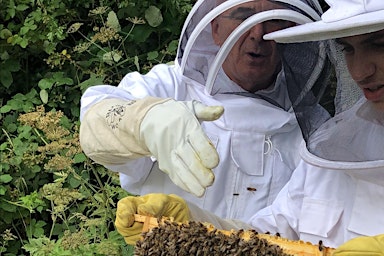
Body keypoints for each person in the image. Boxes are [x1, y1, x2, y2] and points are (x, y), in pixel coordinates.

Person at [124, 0, 384, 254]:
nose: (359, 70)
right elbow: (274, 237)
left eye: (380, 43)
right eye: (348, 48)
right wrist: (201, 229)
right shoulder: (333, 143)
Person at [79, 0, 330, 245]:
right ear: (215, 28)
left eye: (274, 20)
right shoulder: (171, 86)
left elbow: (295, 231)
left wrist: (198, 223)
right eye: (243, 15)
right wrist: (143, 120)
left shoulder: (314, 127)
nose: (257, 33)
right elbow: (94, 121)